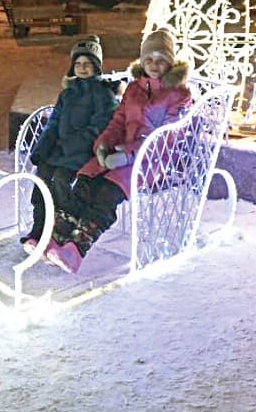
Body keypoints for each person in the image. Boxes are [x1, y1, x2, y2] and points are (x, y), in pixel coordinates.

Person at [44, 28, 192, 274]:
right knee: (83, 179)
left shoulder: (179, 95)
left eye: (161, 60)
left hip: (151, 160)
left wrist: (126, 154)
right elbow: (118, 121)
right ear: (142, 61)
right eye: (149, 59)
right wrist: (102, 144)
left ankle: (76, 250)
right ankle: (57, 239)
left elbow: (166, 139)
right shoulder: (133, 89)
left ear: (170, 63)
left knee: (106, 193)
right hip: (118, 154)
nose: (154, 65)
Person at [21, 35, 118, 253]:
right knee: (42, 179)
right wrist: (42, 149)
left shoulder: (103, 93)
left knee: (61, 182)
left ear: (96, 67)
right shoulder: (67, 94)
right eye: (78, 63)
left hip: (83, 152)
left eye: (88, 64)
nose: (83, 68)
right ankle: (39, 230)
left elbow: (101, 125)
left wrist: (73, 143)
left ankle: (60, 232)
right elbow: (53, 123)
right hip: (59, 151)